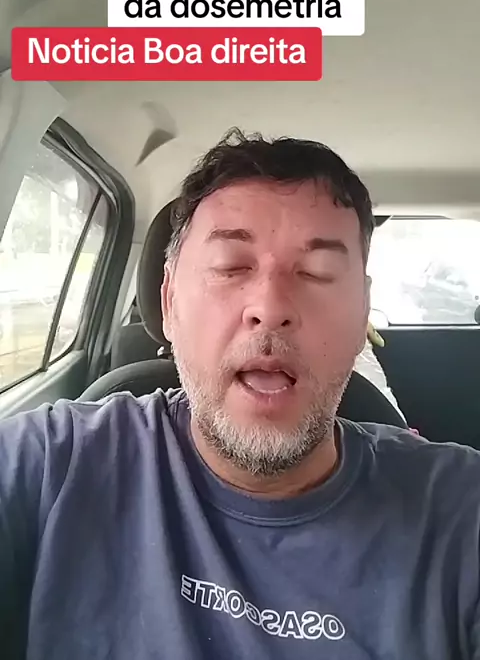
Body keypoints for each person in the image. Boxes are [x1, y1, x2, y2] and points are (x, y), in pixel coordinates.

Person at [1, 128, 479, 660]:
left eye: (318, 272)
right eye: (230, 267)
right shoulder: (52, 467)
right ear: (169, 302)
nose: (270, 308)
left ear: (362, 313)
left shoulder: (460, 512)